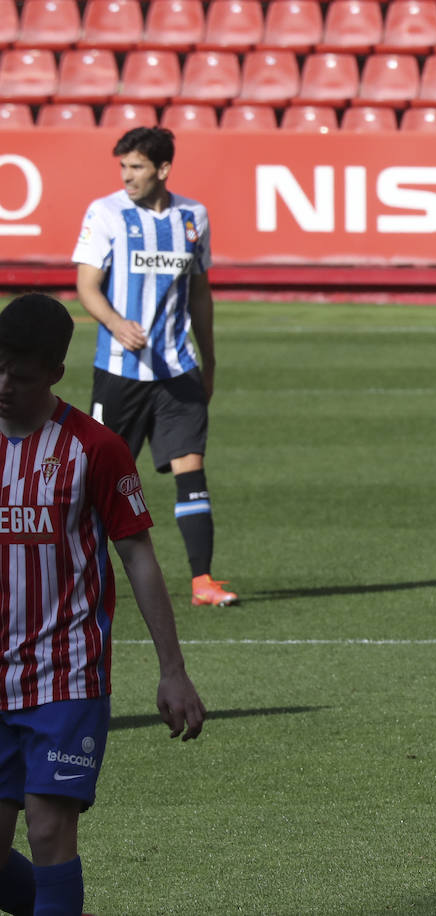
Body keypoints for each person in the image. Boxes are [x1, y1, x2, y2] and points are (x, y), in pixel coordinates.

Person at [0, 293, 206, 916]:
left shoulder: (94, 448)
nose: (5, 384)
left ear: (56, 373)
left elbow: (137, 555)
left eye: (22, 375)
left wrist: (172, 670)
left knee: (47, 830)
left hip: (67, 674)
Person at [71, 126, 237, 608]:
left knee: (192, 468)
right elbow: (86, 285)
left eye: (137, 167)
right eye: (123, 167)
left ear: (163, 169)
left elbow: (200, 293)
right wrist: (116, 323)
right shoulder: (106, 213)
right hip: (120, 371)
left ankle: (202, 581)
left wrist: (209, 361)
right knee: (94, 480)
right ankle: (78, 578)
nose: (127, 177)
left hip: (177, 370)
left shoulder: (193, 217)